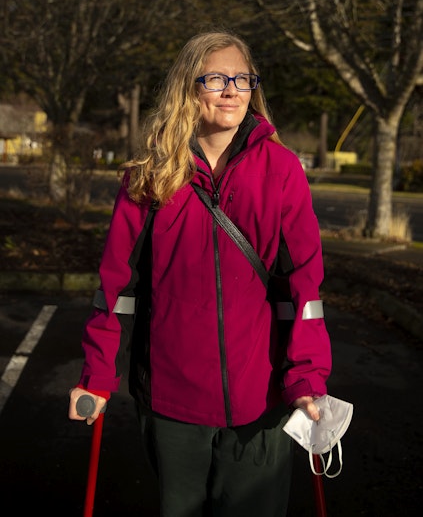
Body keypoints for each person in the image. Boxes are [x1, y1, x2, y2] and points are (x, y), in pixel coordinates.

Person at [69, 30, 332, 516]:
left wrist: (307, 376)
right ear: (188, 87)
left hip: (261, 400)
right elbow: (116, 289)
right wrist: (96, 375)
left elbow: (304, 287)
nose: (232, 89)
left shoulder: (281, 169)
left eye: (242, 78)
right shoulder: (150, 174)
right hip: (172, 402)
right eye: (216, 78)